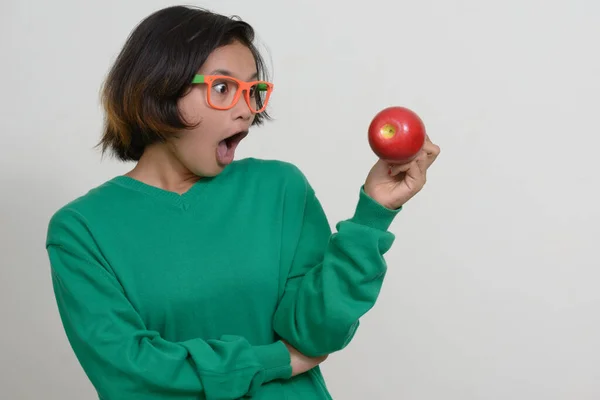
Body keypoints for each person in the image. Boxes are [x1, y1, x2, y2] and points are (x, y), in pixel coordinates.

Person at [45, 5, 440, 400]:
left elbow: (315, 333)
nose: (246, 110)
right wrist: (275, 361)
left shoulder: (280, 188)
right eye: (222, 88)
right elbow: (131, 376)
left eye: (253, 91)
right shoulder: (81, 230)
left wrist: (373, 214)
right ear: (158, 87)